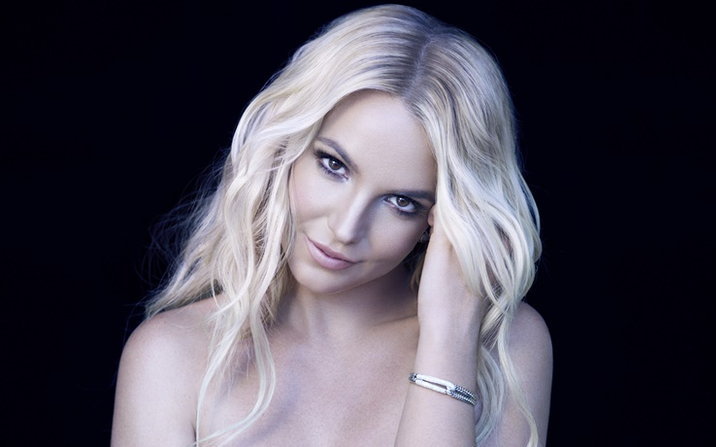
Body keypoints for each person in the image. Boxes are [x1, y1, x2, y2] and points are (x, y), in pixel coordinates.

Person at [111, 4, 552, 446]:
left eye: (401, 202)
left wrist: (448, 340)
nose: (345, 228)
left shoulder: (503, 348)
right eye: (333, 165)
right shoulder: (171, 358)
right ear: (287, 147)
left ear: (439, 220)